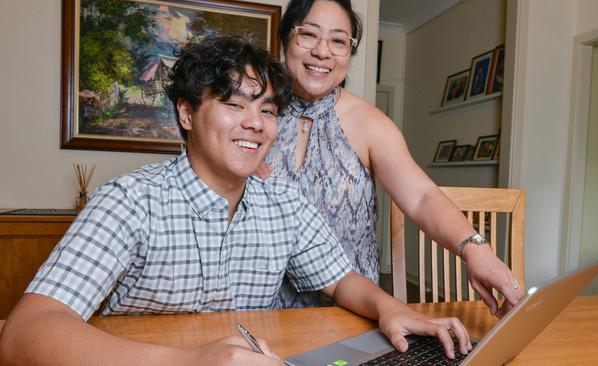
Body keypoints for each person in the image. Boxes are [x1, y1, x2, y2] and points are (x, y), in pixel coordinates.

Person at [0, 35, 472, 366]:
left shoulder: (285, 202)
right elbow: (24, 334)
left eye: (267, 109)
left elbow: (342, 280)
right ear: (186, 113)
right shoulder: (128, 202)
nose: (256, 123)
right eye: (233, 104)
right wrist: (188, 363)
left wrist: (393, 309)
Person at [263, 0, 522, 315]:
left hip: (351, 312)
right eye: (309, 35)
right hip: (261, 313)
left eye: (338, 40)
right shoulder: (253, 115)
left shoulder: (370, 123)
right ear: (286, 38)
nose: (322, 51)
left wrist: (475, 250)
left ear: (350, 51)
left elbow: (422, 196)